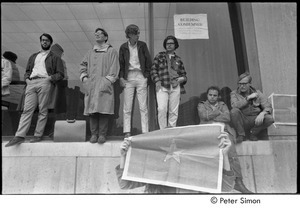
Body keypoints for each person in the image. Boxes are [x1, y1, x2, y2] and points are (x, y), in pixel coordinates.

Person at [115, 132, 235, 193]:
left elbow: (227, 187)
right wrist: (123, 156)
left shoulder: (197, 173)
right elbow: (124, 184)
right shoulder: (153, 171)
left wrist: (224, 155)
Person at [5, 33, 64, 147]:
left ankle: (38, 135)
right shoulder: (33, 56)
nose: (44, 42)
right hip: (31, 83)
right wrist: (27, 79)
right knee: (27, 110)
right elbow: (27, 71)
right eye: (42, 40)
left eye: (46, 40)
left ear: (50, 43)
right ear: (40, 42)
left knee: (43, 110)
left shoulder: (55, 57)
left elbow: (60, 74)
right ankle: (19, 136)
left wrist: (49, 79)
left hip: (45, 82)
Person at [197, 86, 253, 193]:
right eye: (210, 95)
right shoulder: (202, 105)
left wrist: (212, 116)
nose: (212, 97)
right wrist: (218, 112)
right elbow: (204, 115)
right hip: (208, 133)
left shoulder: (223, 104)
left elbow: (227, 117)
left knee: (232, 154)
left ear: (218, 96)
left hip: (225, 132)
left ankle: (238, 182)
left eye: (215, 95)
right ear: (207, 95)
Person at [79, 28, 119, 144]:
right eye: (96, 33)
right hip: (91, 84)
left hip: (104, 83)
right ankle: (93, 134)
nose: (97, 35)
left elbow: (114, 68)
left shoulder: (111, 51)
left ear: (106, 37)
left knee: (103, 110)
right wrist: (84, 78)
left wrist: (107, 81)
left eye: (100, 33)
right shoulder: (90, 52)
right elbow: (83, 66)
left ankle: (102, 134)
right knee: (92, 111)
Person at [119, 24, 152, 138]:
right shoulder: (123, 47)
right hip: (128, 77)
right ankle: (127, 131)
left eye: (138, 33)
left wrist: (146, 76)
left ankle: (145, 131)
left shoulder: (142, 45)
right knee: (127, 106)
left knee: (143, 106)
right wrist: (121, 77)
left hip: (141, 76)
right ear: (130, 35)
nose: (138, 35)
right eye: (136, 33)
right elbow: (121, 64)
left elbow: (148, 61)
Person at [150, 35, 187, 129]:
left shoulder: (178, 59)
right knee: (161, 108)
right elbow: (153, 70)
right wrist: (157, 81)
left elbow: (184, 75)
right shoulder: (159, 56)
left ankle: (171, 129)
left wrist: (181, 79)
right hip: (162, 85)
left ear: (175, 45)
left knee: (173, 110)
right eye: (167, 43)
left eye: (171, 43)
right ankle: (163, 130)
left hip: (175, 86)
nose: (169, 45)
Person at [230, 72, 274, 143]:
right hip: (243, 119)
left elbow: (268, 106)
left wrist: (262, 114)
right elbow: (234, 105)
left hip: (255, 119)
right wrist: (248, 98)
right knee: (234, 111)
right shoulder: (234, 93)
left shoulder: (258, 93)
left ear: (250, 83)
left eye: (244, 84)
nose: (242, 86)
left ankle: (253, 133)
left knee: (269, 119)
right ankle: (241, 135)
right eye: (240, 84)